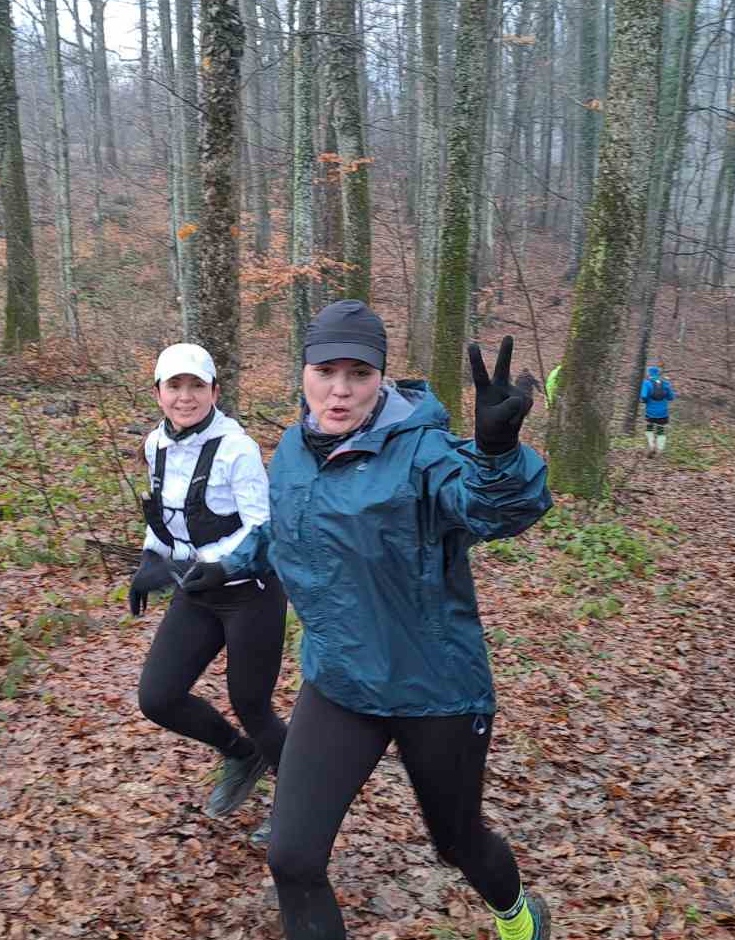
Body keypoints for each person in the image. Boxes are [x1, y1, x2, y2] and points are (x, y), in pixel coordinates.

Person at [182, 301, 554, 940]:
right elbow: (289, 528)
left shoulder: (424, 453)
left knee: (457, 842)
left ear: (381, 377)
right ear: (303, 371)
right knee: (292, 858)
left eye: (359, 373)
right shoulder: (294, 449)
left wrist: (497, 455)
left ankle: (520, 918)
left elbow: (496, 511)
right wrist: (229, 564)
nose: (340, 390)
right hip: (340, 682)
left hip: (434, 691)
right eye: (326, 371)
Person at [131, 342, 287, 842]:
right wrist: (150, 559)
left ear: (215, 391)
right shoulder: (155, 445)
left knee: (252, 703)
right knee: (158, 697)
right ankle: (242, 756)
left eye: (196, 385)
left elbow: (264, 527)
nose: (185, 396)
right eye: (174, 386)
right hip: (197, 590)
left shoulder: (237, 449)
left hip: (250, 591)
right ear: (158, 393)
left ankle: (299, 805)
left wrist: (223, 567)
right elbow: (167, 516)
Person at [639, 363, 675, 457]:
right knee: (661, 430)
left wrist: (645, 401)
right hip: (663, 413)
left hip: (650, 412)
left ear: (649, 373)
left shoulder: (646, 383)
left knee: (649, 428)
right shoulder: (665, 383)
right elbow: (671, 397)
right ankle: (660, 449)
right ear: (658, 373)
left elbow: (643, 396)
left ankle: (651, 446)